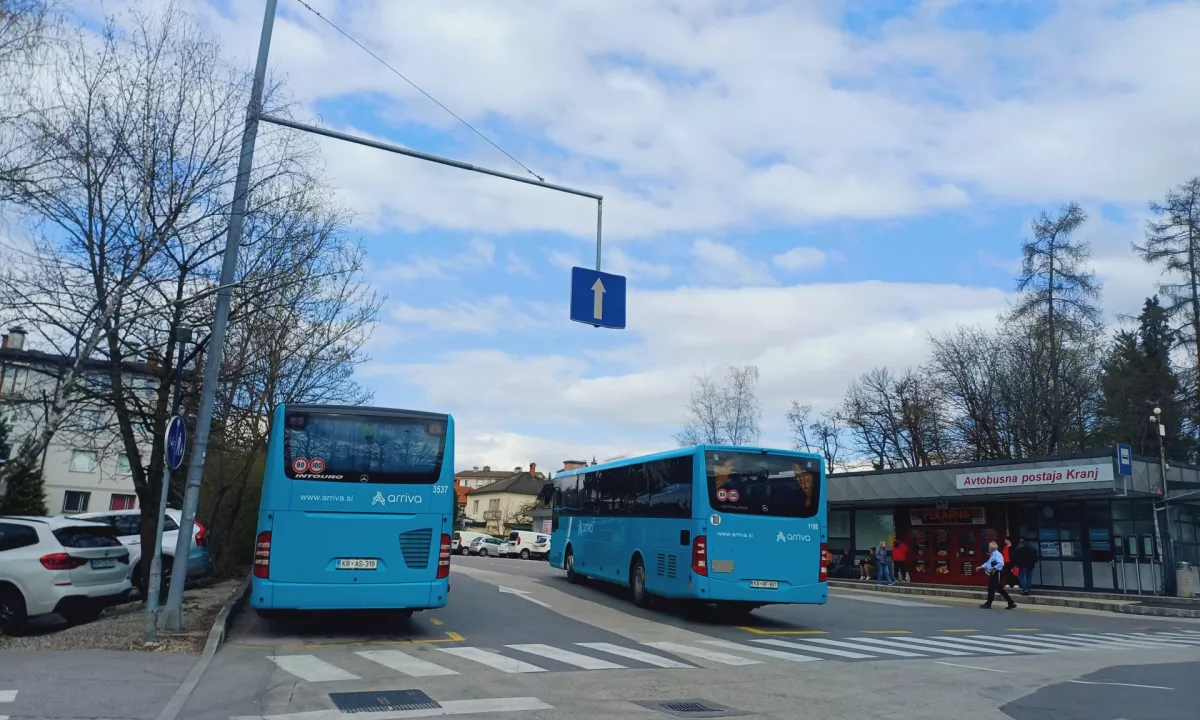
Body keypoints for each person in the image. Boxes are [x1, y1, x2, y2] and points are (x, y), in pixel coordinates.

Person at [979, 540, 1016, 610]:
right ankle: (1011, 602)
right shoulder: (993, 554)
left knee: (991, 588)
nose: (988, 549)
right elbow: (988, 563)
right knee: (999, 589)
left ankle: (988, 603)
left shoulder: (997, 554)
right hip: (994, 573)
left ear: (992, 548)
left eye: (989, 547)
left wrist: (993, 567)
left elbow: (1001, 563)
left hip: (997, 572)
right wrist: (981, 567)